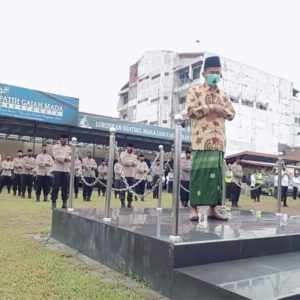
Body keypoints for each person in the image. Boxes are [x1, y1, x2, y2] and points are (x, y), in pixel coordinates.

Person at [187, 55, 235, 221]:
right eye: (213, 72)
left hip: (219, 141)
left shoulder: (224, 95)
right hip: (201, 141)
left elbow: (231, 114)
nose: (216, 75)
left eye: (218, 73)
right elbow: (191, 111)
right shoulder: (194, 91)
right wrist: (211, 107)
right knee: (199, 175)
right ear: (204, 73)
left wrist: (223, 111)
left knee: (216, 178)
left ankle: (212, 209)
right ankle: (193, 209)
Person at [51, 134, 72, 208]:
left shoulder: (69, 148)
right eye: (62, 139)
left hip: (66, 170)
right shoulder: (55, 147)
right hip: (57, 170)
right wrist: (65, 159)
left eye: (65, 139)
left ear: (67, 140)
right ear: (60, 139)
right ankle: (54, 202)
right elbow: (56, 156)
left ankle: (64, 203)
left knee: (65, 187)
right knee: (55, 187)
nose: (63, 141)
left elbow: (72, 157)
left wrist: (68, 158)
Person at [119, 143, 137, 208]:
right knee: (122, 190)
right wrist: (131, 162)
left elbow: (136, 163)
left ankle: (129, 203)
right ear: (127, 147)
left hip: (132, 175)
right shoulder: (123, 154)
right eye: (129, 147)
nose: (131, 149)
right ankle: (122, 203)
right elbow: (124, 162)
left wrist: (130, 162)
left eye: (132, 148)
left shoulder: (134, 156)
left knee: (131, 191)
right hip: (124, 175)